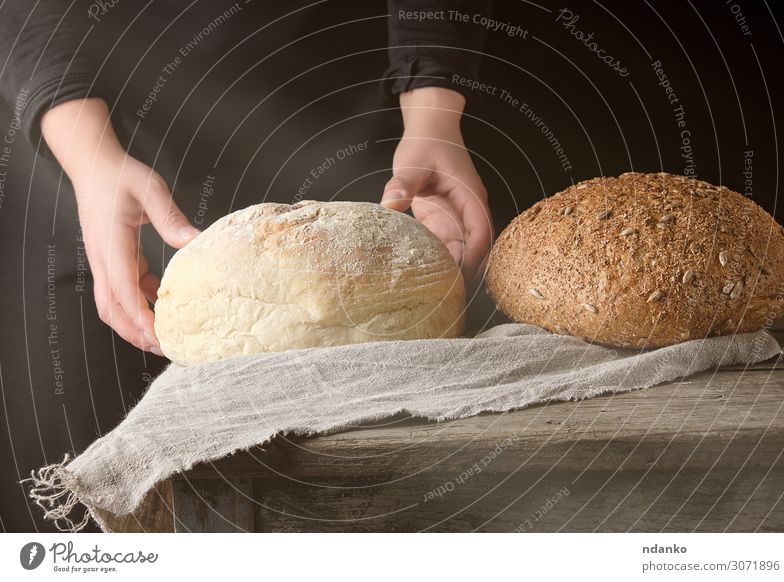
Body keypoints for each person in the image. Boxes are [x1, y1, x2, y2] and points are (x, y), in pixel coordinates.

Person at [0, 1, 493, 531]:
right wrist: (89, 157)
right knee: (84, 500)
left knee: (387, 503)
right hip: (86, 151)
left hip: (348, 114)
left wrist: (433, 110)